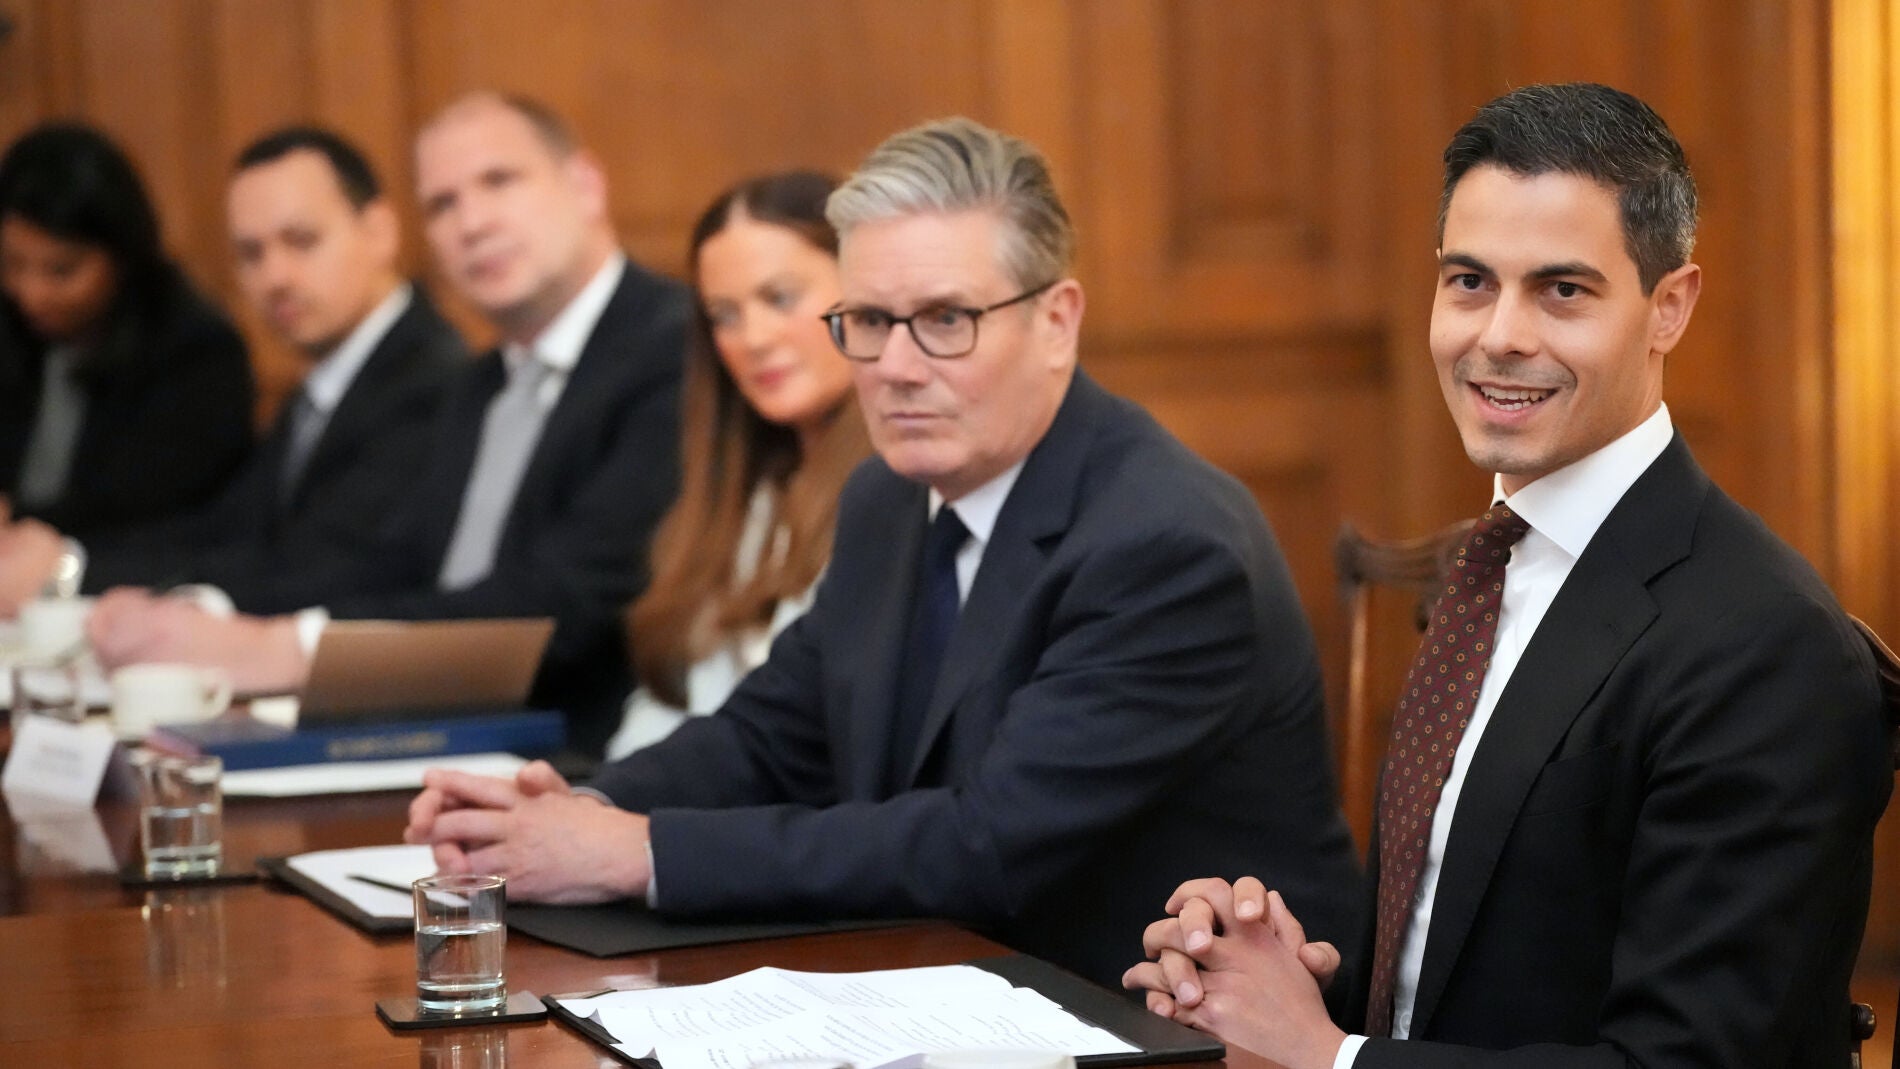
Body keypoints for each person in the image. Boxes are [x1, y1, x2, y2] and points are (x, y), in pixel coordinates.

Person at [403, 116, 1363, 990]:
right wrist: (560, 809)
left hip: (1157, 1016)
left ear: (1057, 321)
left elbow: (988, 844)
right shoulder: (887, 497)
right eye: (867, 322)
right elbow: (772, 735)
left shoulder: (1162, 542)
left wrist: (634, 849)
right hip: (948, 980)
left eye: (946, 320)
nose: (896, 368)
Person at [1124, 82, 1892, 1067]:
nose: (1498, 336)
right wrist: (1278, 980)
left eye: (1561, 290)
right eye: (1469, 281)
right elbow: (1469, 967)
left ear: (1668, 308)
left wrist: (1328, 1056)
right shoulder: (1486, 567)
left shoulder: (1768, 649)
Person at [86, 92, 690, 754]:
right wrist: (211, 620)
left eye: (499, 181)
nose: (472, 223)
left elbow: (569, 598)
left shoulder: (674, 349)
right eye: (442, 204)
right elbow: (388, 563)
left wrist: (288, 648)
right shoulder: (483, 381)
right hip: (440, 729)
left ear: (586, 186)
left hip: (586, 752)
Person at [0, 125, 468, 610]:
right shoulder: (327, 382)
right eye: (251, 253)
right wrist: (69, 555)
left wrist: (69, 570)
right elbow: (229, 527)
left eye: (302, 241)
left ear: (379, 232)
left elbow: (313, 568)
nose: (274, 277)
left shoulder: (429, 382)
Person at [609, 170, 869, 758]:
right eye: (724, 315)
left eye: (780, 299)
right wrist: (592, 799)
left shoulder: (909, 490)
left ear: (866, 297)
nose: (752, 338)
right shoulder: (739, 496)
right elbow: (671, 701)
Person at [0, 122, 253, 544]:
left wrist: (19, 524)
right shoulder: (11, 328)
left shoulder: (196, 352)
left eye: (62, 271)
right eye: (12, 264)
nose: (32, 294)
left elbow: (150, 514)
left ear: (122, 257)